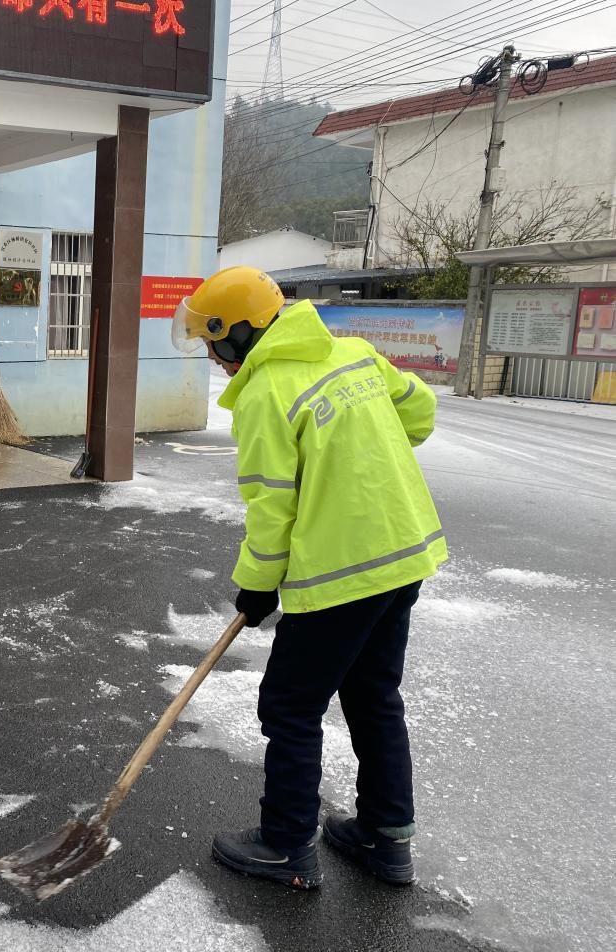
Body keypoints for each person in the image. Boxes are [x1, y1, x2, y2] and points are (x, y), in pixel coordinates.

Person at [171, 267, 447, 889]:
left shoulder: (266, 393)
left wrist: (257, 583)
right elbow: (420, 413)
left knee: (290, 707)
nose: (212, 356)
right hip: (403, 556)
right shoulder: (354, 355)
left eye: (213, 340)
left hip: (340, 574)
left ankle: (286, 844)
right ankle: (386, 838)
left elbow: (272, 508)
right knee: (374, 696)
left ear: (240, 331)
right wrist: (359, 449)